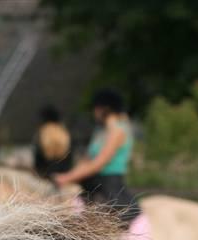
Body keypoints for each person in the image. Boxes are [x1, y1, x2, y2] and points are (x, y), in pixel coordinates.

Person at [53, 88, 142, 226]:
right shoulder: (100, 132)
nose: (94, 112)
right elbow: (86, 161)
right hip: (92, 186)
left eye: (95, 108)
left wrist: (66, 178)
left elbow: (98, 163)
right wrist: (68, 176)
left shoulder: (118, 131)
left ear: (104, 109)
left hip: (111, 188)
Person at [32, 105, 73, 179]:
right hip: (65, 176)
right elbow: (70, 161)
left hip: (45, 177)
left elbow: (38, 163)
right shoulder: (65, 135)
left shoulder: (42, 135)